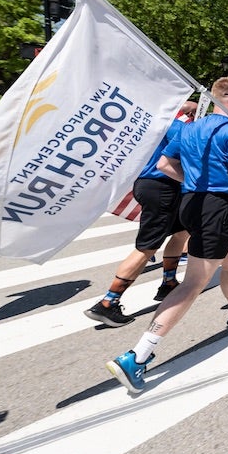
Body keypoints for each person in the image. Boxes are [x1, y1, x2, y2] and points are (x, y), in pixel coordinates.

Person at [106, 77, 228, 393]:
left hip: (192, 202)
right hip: (217, 207)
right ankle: (137, 355)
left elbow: (164, 164)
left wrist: (196, 181)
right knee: (193, 283)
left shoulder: (190, 128)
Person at [84, 100, 198, 328]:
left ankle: (168, 282)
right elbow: (196, 139)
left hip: (152, 185)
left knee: (181, 231)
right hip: (161, 188)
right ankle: (108, 302)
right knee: (146, 247)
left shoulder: (146, 125)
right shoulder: (173, 126)